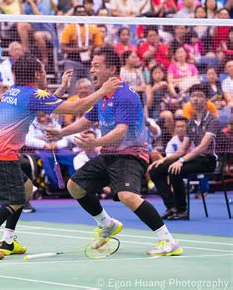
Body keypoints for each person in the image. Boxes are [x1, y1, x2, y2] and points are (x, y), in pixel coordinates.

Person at [0, 54, 122, 260]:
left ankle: (7, 240)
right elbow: (75, 107)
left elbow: (44, 102)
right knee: (16, 199)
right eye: (43, 70)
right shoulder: (33, 95)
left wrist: (60, 89)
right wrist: (103, 91)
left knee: (25, 188)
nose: (45, 72)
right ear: (36, 74)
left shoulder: (14, 91)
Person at [47, 47, 183, 256]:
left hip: (131, 154)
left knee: (127, 195)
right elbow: (86, 120)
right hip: (110, 155)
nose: (92, 70)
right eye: (91, 66)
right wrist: (61, 133)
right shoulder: (102, 95)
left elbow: (121, 131)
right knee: (75, 186)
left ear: (111, 69)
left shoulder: (126, 96)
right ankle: (107, 224)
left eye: (96, 66)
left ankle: (167, 241)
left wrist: (94, 143)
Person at [149, 84, 219, 220]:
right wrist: (162, 160)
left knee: (175, 170)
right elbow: (182, 149)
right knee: (155, 171)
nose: (195, 99)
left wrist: (180, 161)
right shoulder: (191, 122)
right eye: (193, 96)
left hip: (207, 160)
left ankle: (182, 210)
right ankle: (172, 207)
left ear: (206, 100)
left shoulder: (212, 120)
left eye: (199, 96)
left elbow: (202, 147)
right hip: (193, 158)